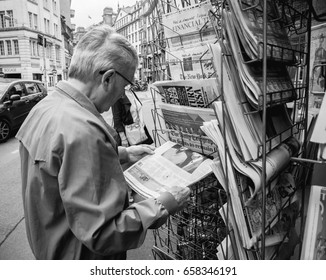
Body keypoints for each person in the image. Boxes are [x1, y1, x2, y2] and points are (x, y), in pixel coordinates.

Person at [16, 25, 190, 260]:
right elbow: (103, 234)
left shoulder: (45, 108)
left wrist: (124, 153)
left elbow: (60, 164)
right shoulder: (84, 130)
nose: (122, 94)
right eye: (125, 85)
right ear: (108, 78)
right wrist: (164, 204)